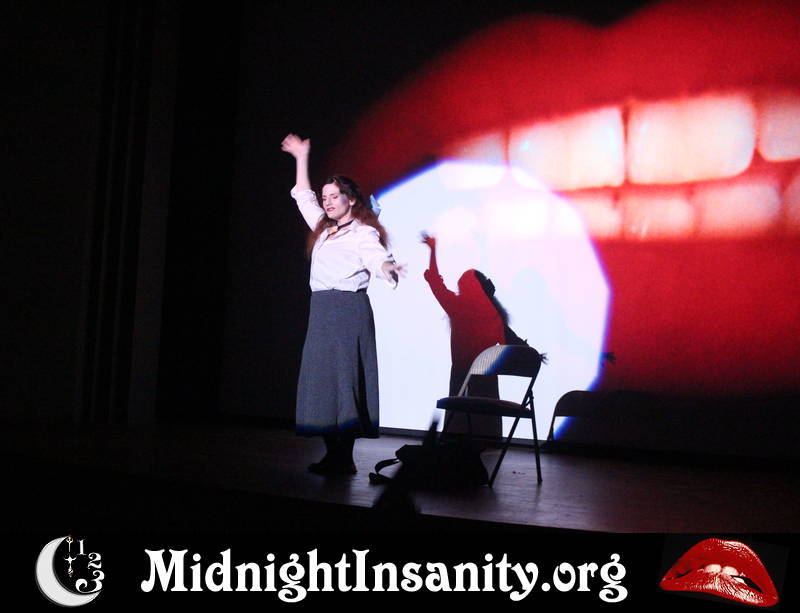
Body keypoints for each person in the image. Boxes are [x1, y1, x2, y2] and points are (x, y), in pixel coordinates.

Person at [281, 133, 405, 475]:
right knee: (322, 381)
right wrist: (301, 157)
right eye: (325, 198)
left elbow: (375, 255)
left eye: (334, 196)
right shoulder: (323, 230)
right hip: (322, 311)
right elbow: (302, 196)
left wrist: (387, 267)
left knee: (345, 379)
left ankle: (344, 457)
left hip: (348, 311)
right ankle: (332, 454)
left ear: (350, 199)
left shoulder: (363, 232)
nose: (328, 202)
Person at [420, 232, 527, 437]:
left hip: (461, 376)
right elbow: (516, 344)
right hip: (487, 379)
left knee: (458, 424)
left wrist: (433, 250)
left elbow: (434, 282)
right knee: (486, 425)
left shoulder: (457, 307)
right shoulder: (494, 316)